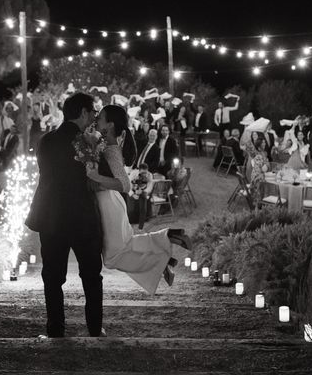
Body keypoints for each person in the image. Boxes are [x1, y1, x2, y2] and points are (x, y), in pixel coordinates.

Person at [88, 104, 191, 295]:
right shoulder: (104, 145)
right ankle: (166, 239)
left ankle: (163, 253)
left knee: (113, 257)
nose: (96, 120)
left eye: (100, 117)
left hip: (108, 203)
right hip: (109, 201)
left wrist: (95, 178)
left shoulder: (111, 149)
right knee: (125, 245)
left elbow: (125, 185)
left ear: (110, 125)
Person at [26, 93, 104, 338]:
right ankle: (94, 329)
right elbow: (92, 178)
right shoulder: (85, 142)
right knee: (91, 276)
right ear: (82, 112)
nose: (94, 116)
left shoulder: (46, 140)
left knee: (52, 276)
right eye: (92, 111)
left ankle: (55, 330)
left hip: (51, 216)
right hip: (81, 216)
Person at [249, 139, 270, 205]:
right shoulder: (258, 155)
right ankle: (258, 204)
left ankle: (261, 203)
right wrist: (267, 163)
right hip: (257, 177)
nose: (264, 144)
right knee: (264, 183)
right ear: (259, 145)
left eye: (264, 142)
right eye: (262, 143)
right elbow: (264, 169)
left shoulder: (263, 153)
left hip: (259, 175)